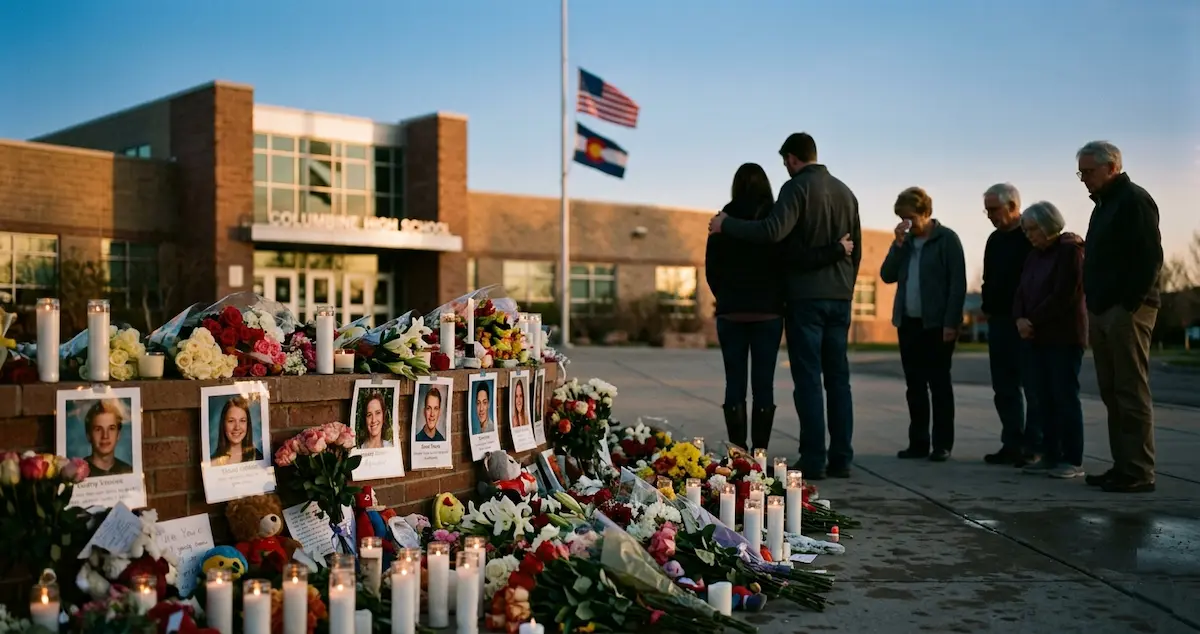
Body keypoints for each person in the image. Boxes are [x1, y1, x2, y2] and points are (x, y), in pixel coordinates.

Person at [708, 134, 862, 479]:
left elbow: (774, 233)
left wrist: (725, 225)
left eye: (785, 162)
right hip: (840, 296)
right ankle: (842, 457)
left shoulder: (796, 189)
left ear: (792, 159)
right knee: (839, 379)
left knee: (808, 377)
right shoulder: (846, 192)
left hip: (806, 298)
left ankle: (814, 458)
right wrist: (846, 288)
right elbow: (858, 248)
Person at [1077, 141, 1162, 493]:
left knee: (1130, 389)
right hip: (1102, 309)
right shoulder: (1103, 206)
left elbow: (1148, 257)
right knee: (1112, 391)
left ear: (1111, 167)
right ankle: (1122, 465)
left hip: (1126, 311)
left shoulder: (1134, 200)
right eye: (1080, 173)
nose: (1083, 179)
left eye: (1088, 172)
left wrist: (1128, 304)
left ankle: (1139, 470)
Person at [880, 187, 967, 462]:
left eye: (910, 218)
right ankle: (918, 442)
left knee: (939, 384)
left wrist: (951, 322)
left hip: (937, 324)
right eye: (901, 219)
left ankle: (942, 444)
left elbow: (958, 284)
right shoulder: (904, 244)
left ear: (925, 213)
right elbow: (887, 275)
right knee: (914, 385)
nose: (906, 224)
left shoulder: (947, 240)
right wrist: (897, 244)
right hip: (908, 323)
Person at [1013, 202, 1087, 479]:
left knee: (1064, 396)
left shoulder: (1070, 252)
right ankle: (1050, 453)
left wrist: (1033, 320)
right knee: (1042, 397)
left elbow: (1064, 295)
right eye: (1026, 230)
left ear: (1048, 225)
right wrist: (1020, 318)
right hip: (1035, 338)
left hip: (1063, 337)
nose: (1029, 235)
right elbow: (1020, 291)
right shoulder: (1034, 256)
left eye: (1032, 229)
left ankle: (1071, 458)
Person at [980, 183, 1038, 466]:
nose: (990, 215)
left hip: (1025, 323)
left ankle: (1034, 445)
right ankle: (1012, 442)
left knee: (1032, 384)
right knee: (1004, 387)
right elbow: (989, 279)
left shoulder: (1029, 236)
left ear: (1013, 207)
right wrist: (987, 308)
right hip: (999, 321)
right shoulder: (994, 240)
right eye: (987, 209)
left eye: (994, 209)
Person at [80, 400, 133, 476]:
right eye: (98, 429)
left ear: (118, 434)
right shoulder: (77, 473)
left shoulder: (128, 471)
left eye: (111, 428)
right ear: (88, 435)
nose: (105, 436)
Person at [211, 396, 263, 465]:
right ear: (223, 424)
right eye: (231, 421)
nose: (237, 427)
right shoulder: (212, 462)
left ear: (248, 424)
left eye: (242, 421)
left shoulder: (258, 457)